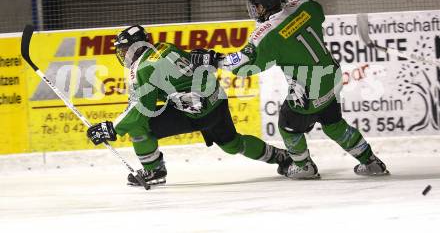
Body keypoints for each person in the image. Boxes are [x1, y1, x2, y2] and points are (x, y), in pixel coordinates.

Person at [190, 0, 389, 179]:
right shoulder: (305, 7)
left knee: (288, 127)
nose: (255, 10)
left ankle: (304, 167)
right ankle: (372, 162)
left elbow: (243, 66)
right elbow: (304, 2)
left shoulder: (267, 34)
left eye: (256, 6)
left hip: (310, 87)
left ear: (264, 6)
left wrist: (214, 59)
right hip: (331, 77)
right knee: (334, 124)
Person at [86, 24, 292, 186]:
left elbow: (141, 110)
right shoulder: (165, 47)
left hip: (195, 112)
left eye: (125, 49)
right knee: (232, 144)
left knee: (140, 127)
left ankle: (154, 171)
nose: (123, 54)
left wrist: (112, 128)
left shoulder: (142, 68)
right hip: (216, 100)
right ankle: (282, 157)